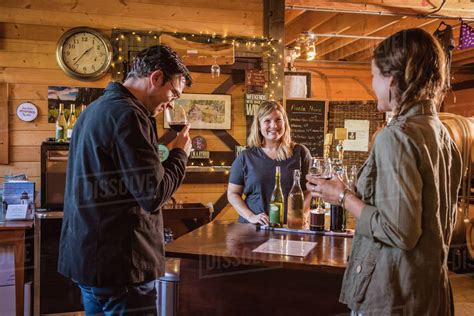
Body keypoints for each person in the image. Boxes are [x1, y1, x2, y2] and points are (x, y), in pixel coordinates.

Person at [306, 28, 462, 315]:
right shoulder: (442, 134)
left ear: (391, 80)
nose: (372, 85)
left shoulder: (397, 137)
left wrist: (342, 197)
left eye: (373, 77)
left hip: (393, 294)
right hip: (430, 291)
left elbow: (400, 231)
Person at [58, 45, 193, 315]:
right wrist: (180, 154)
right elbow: (152, 195)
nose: (172, 103)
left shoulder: (95, 109)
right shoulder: (130, 115)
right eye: (173, 93)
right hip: (121, 267)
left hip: (89, 260)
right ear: (155, 78)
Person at [228, 100, 311, 225]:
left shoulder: (300, 153)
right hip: (254, 228)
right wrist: (251, 216)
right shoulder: (246, 157)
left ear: (285, 123)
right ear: (259, 125)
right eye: (267, 121)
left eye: (278, 120)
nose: (274, 125)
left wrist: (301, 214)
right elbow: (233, 193)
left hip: (289, 227)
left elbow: (308, 191)